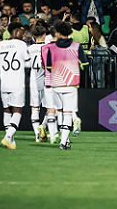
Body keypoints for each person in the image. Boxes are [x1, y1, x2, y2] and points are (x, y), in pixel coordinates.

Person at [41, 20, 89, 150]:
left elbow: (49, 67)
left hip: (56, 84)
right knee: (68, 114)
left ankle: (64, 139)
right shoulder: (76, 46)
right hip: (71, 84)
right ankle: (64, 141)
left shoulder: (51, 48)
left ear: (58, 32)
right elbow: (85, 64)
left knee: (59, 112)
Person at [0, 22, 30, 150]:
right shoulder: (22, 45)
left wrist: (5, 65)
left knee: (7, 110)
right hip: (17, 82)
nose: (24, 35)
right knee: (18, 110)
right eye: (22, 32)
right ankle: (8, 137)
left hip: (4, 82)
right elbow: (28, 63)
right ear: (15, 30)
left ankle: (11, 141)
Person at [25, 24, 48, 143]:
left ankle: (37, 135)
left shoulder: (29, 48)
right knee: (51, 108)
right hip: (47, 79)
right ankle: (43, 126)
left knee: (35, 108)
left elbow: (26, 64)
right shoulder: (48, 47)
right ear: (44, 35)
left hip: (34, 80)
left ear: (33, 36)